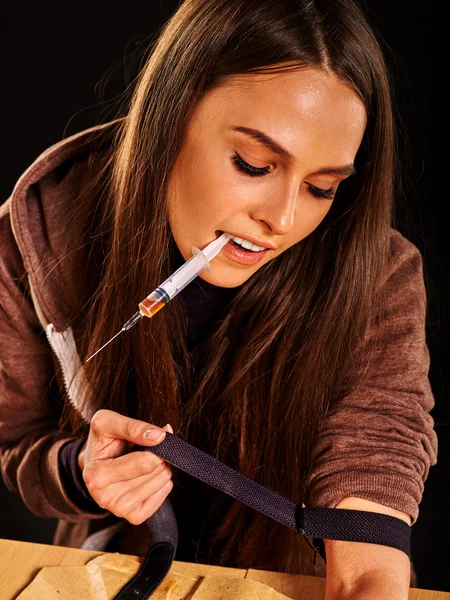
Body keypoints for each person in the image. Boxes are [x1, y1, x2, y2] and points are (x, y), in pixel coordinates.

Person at [0, 0, 437, 597]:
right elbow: (17, 446)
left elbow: (374, 465)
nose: (281, 220)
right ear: (169, 115)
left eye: (321, 187)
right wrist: (83, 470)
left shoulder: (374, 273)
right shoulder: (37, 234)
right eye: (253, 164)